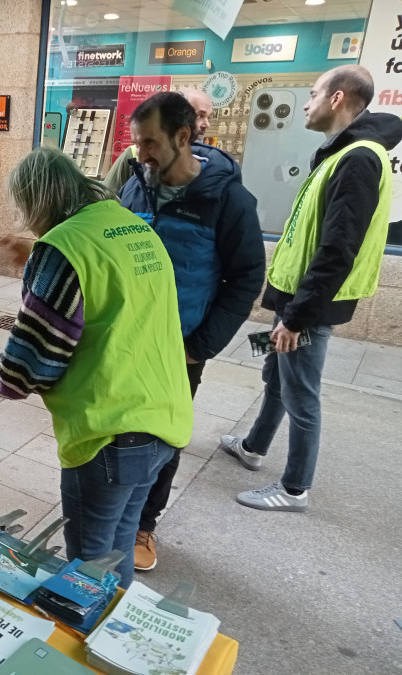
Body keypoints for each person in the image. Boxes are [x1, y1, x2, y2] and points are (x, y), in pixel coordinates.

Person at [0, 147, 193, 587]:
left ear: (34, 203)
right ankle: (112, 639)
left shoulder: (61, 250)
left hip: (110, 434)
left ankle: (87, 647)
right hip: (165, 419)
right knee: (116, 550)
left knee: (88, 567)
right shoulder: (129, 226)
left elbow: (28, 370)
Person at [220, 65, 401, 512]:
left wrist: (298, 318)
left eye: (314, 93)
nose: (306, 102)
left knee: (301, 393)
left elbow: (338, 248)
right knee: (277, 378)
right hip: (297, 297)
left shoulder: (358, 158)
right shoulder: (342, 153)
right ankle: (253, 446)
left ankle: (294, 489)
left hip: (311, 306)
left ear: (337, 99)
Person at [118, 91, 265, 571]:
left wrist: (198, 348)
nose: (141, 155)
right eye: (137, 143)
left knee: (162, 437)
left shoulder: (229, 199)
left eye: (150, 143)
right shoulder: (136, 185)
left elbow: (245, 278)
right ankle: (115, 510)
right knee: (116, 427)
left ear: (184, 136)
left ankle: (144, 524)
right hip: (124, 341)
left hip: (180, 349)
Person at [104, 88, 213, 193]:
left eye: (209, 117)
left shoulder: (216, 172)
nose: (207, 125)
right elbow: (106, 201)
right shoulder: (132, 160)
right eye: (199, 116)